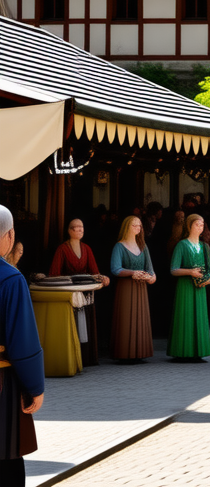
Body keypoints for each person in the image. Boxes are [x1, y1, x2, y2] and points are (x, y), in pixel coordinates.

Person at [0, 206, 43, 484]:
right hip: (3, 384)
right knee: (6, 459)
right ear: (10, 235)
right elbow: (23, 343)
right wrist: (35, 387)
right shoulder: (11, 279)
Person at [48, 217, 110, 366]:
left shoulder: (87, 249)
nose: (81, 229)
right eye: (77, 227)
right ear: (70, 230)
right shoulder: (62, 249)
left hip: (86, 294)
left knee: (86, 324)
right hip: (69, 294)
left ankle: (86, 358)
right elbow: (54, 274)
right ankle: (71, 358)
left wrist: (102, 278)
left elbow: (94, 271)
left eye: (82, 227)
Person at [169, 214, 210, 362]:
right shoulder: (181, 245)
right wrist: (190, 272)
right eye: (197, 224)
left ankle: (198, 351)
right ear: (189, 226)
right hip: (185, 287)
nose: (200, 227)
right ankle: (182, 352)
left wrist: (207, 279)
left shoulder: (204, 246)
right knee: (185, 316)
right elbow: (173, 269)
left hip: (200, 288)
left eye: (202, 225)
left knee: (199, 317)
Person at [109, 216, 155, 362]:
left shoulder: (143, 246)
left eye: (139, 225)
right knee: (126, 319)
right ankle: (123, 353)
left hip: (141, 289)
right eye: (134, 225)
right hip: (126, 289)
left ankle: (141, 352)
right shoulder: (119, 246)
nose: (138, 228)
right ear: (126, 227)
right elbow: (115, 269)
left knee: (141, 319)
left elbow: (151, 270)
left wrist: (150, 277)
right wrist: (132, 273)